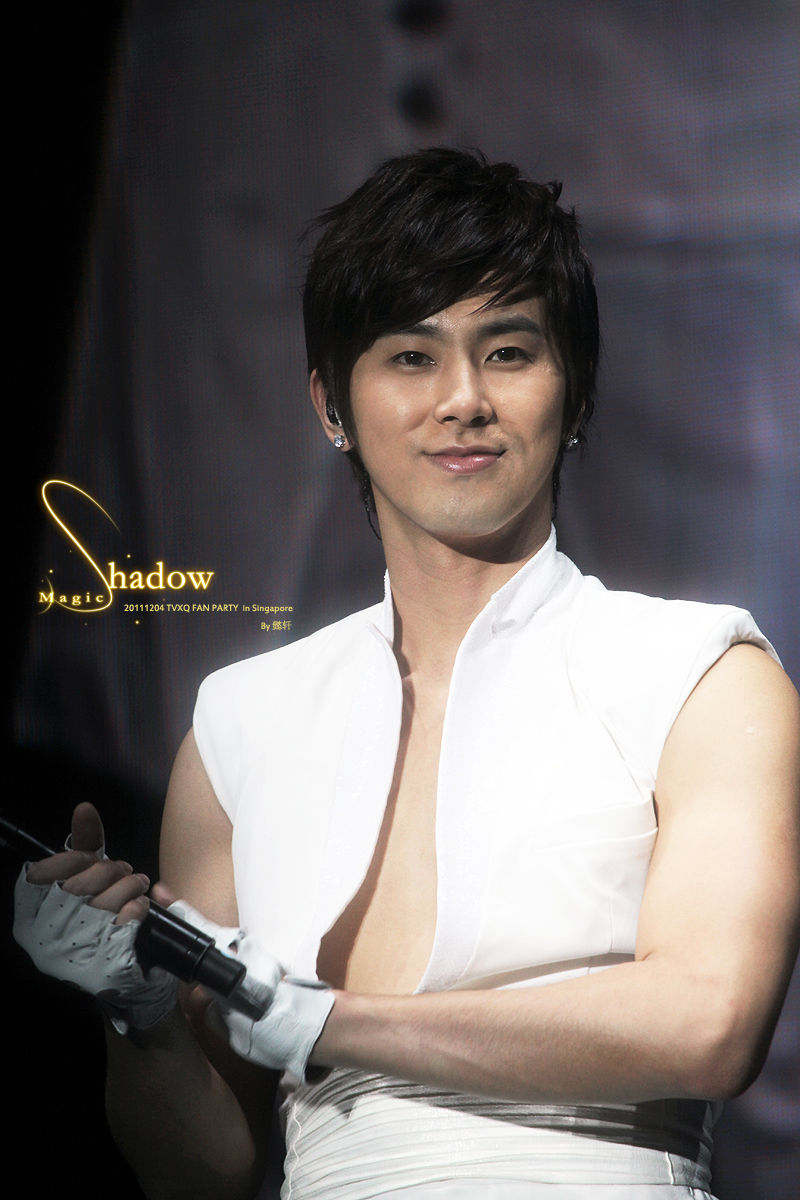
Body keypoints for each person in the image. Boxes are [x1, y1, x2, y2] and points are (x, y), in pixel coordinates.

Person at [14, 148, 800, 1199]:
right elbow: (207, 1172)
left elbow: (710, 1023)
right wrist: (138, 1011)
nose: (463, 400)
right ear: (331, 405)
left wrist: (328, 1021)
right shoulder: (240, 727)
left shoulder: (700, 675)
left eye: (508, 352)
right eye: (411, 357)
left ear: (574, 392)